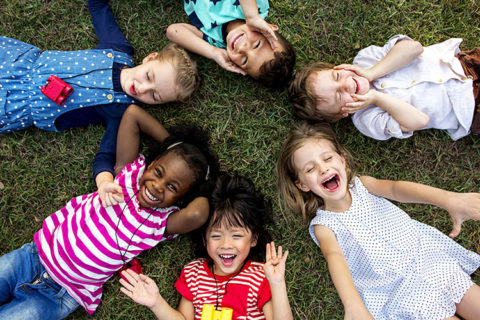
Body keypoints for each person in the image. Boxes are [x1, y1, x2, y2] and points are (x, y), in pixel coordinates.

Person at [0, 104, 219, 319]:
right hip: (31, 257)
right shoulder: (127, 175)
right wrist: (173, 147)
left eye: (173, 187)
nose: (157, 186)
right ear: (150, 165)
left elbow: (198, 214)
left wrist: (205, 186)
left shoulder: (162, 222)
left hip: (62, 294)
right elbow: (133, 115)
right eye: (158, 172)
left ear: (181, 199)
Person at [276, 122, 480, 319]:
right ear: (302, 185)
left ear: (343, 160)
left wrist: (450, 199)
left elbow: (396, 189)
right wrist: (353, 305)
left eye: (328, 158)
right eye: (310, 169)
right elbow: (334, 257)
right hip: (402, 294)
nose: (323, 169)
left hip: (430, 261)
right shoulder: (324, 226)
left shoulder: (362, 185)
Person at [0, 0, 199, 182]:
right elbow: (99, 10)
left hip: (17, 103)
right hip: (17, 63)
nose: (141, 88)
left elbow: (106, 155)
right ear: (149, 58)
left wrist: (104, 182)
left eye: (154, 96)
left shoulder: (121, 112)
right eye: (148, 76)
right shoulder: (118, 49)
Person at [119, 173, 293, 320]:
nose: (226, 245)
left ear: (254, 239)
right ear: (204, 239)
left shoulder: (261, 276)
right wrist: (156, 302)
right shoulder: (193, 273)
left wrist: (277, 284)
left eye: (237, 235)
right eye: (216, 236)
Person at [289, 35, 480, 140]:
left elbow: (414, 48)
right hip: (469, 109)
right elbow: (420, 120)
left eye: (337, 76)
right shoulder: (367, 120)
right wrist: (377, 98)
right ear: (342, 113)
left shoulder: (366, 59)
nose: (347, 83)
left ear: (338, 67)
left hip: (464, 64)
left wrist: (372, 73)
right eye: (340, 96)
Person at [166, 0, 295, 88]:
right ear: (268, 29)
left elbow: (173, 31)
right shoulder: (257, 9)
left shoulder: (215, 41)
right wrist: (252, 16)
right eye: (256, 45)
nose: (242, 48)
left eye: (244, 60)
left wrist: (213, 52)